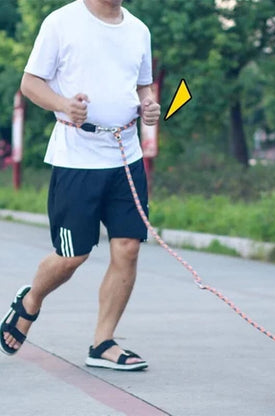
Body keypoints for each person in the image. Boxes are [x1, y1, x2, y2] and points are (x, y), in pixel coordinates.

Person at [0, 0, 161, 371]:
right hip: (77, 159)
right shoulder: (61, 22)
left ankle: (102, 343)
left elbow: (142, 87)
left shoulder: (138, 30)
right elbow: (29, 83)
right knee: (73, 255)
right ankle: (30, 301)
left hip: (125, 157)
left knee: (128, 248)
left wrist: (148, 105)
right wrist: (63, 104)